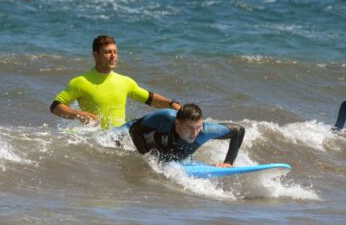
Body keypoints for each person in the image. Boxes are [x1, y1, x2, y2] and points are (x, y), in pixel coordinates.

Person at [50, 35, 180, 129]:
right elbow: (55, 107)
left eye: (115, 52)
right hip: (94, 140)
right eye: (107, 52)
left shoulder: (125, 82)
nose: (113, 56)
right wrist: (79, 114)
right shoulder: (81, 82)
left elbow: (150, 99)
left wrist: (172, 104)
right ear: (96, 55)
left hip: (117, 137)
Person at [126, 104, 245, 167]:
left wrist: (228, 162)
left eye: (198, 127)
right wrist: (146, 157)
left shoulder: (206, 131)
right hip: (135, 134)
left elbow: (239, 131)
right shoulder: (166, 118)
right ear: (178, 123)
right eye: (189, 128)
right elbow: (134, 129)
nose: (194, 134)